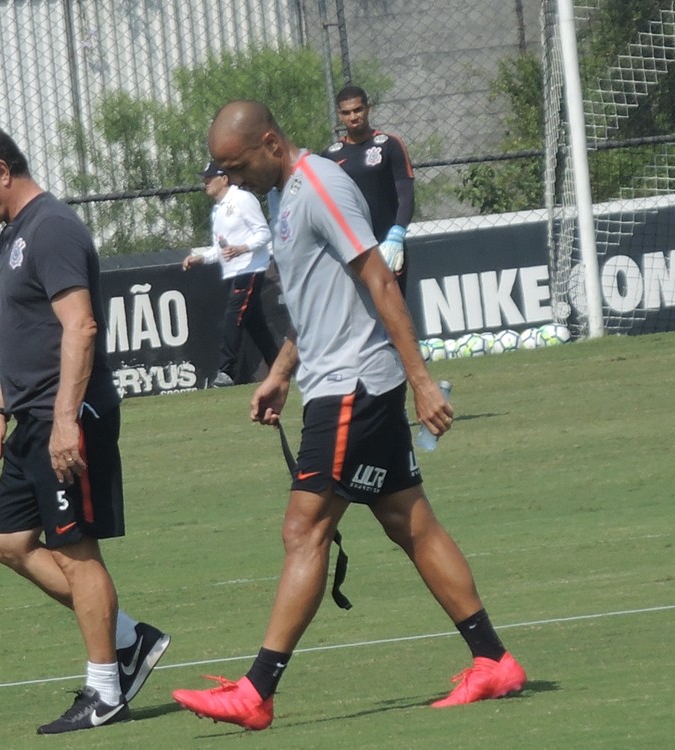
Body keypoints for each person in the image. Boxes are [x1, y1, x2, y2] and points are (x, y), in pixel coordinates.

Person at [171, 101, 525, 730]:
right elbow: (317, 302)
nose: (231, 178)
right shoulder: (285, 197)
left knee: (304, 529)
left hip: (352, 388)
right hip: (343, 382)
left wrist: (423, 380)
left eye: (236, 164)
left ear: (271, 143)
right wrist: (280, 374)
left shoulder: (320, 185)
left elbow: (378, 279)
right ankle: (493, 659)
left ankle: (256, 692)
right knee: (409, 521)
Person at [0, 121, 170, 735]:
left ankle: (105, 691)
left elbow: (80, 327)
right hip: (29, 416)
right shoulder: (11, 235)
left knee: (76, 551)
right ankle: (127, 639)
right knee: (11, 545)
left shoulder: (54, 228)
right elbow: (25, 337)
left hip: (66, 417)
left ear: (1, 172)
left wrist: (66, 419)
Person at [182, 161, 280, 387]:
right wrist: (201, 258)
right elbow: (221, 248)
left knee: (233, 318)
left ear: (224, 179)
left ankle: (225, 371)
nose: (205, 182)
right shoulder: (218, 209)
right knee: (256, 325)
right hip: (233, 271)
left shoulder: (242, 200)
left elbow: (264, 233)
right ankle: (278, 366)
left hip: (249, 268)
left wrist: (242, 248)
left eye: (210, 178)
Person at [320, 85, 415, 294]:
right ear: (340, 115)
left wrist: (397, 234)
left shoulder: (389, 145)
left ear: (368, 109)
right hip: (351, 248)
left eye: (358, 110)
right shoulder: (329, 156)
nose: (353, 117)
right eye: (346, 112)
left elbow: (406, 194)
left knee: (395, 312)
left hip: (386, 244)